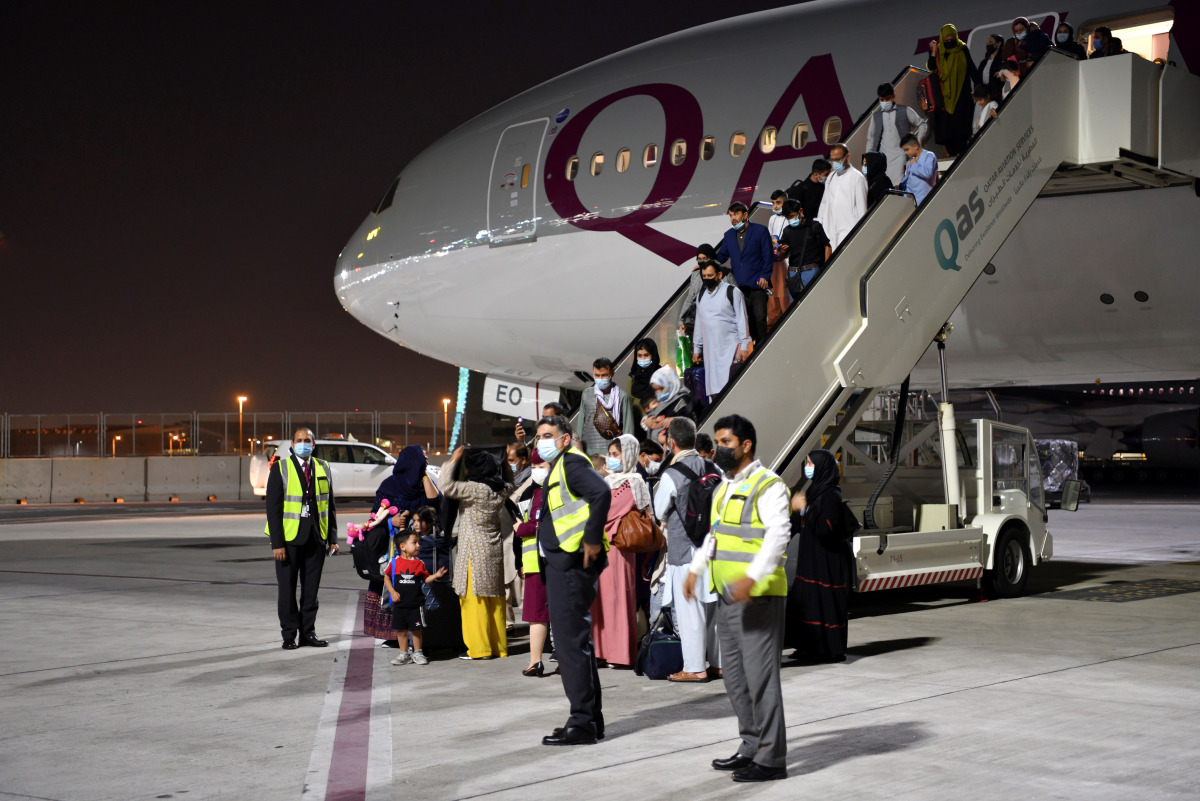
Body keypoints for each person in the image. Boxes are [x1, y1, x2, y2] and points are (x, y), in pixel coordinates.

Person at [683, 414, 790, 783]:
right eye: (717, 442)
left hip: (758, 597)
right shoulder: (723, 488)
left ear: (746, 445)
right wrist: (696, 568)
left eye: (726, 442)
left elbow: (778, 536)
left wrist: (752, 578)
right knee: (735, 679)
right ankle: (751, 744)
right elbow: (713, 536)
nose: (719, 448)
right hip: (727, 597)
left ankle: (772, 758)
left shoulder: (769, 485)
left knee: (761, 679)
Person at [534, 415, 612, 746]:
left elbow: (602, 493)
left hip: (571, 561)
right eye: (539, 436)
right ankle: (590, 719)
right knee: (576, 643)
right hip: (566, 560)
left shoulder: (571, 464)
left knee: (568, 644)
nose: (542, 441)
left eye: (548, 435)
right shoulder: (561, 465)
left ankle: (581, 722)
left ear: (565, 438)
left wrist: (593, 538)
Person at [654, 418, 720, 682]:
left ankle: (694, 667)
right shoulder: (713, 466)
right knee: (714, 608)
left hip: (685, 551)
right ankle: (719, 663)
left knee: (689, 608)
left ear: (671, 442)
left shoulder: (671, 475)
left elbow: (660, 511)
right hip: (714, 548)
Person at [266, 428, 339, 650]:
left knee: (311, 591)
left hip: (316, 538)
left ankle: (308, 633)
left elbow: (330, 504)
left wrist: (332, 538)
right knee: (287, 590)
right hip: (288, 540)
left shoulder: (323, 467)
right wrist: (277, 543)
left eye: (307, 440)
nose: (303, 444)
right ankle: (289, 635)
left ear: (314, 444)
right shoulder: (281, 467)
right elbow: (273, 508)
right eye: (299, 440)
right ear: (292, 443)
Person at [439, 445, 514, 660]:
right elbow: (512, 482)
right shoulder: (500, 488)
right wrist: (505, 464)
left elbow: (446, 486)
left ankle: (479, 648)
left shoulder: (475, 488)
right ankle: (498, 646)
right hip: (493, 548)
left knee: (474, 600)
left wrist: (453, 460)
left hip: (473, 550)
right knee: (494, 600)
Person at [785, 449, 854, 663]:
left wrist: (804, 509)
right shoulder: (815, 490)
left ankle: (827, 650)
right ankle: (808, 647)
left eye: (810, 463)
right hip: (810, 558)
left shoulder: (831, 494)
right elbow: (799, 523)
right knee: (806, 600)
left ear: (822, 466)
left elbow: (826, 527)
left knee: (822, 602)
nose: (807, 467)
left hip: (825, 560)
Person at [594, 434, 651, 668]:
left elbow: (608, 511)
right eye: (610, 454)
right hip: (602, 545)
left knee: (617, 599)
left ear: (628, 455)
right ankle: (601, 650)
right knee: (600, 600)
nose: (612, 459)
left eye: (616, 454)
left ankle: (619, 654)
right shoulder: (610, 481)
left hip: (618, 546)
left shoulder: (633, 482)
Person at [384, 529, 448, 666]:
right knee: (401, 630)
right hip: (399, 604)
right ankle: (404, 654)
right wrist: (392, 592)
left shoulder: (419, 563)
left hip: (415, 604)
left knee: (416, 629)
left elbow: (425, 579)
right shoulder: (394, 562)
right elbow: (387, 578)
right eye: (414, 543)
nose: (418, 545)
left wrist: (435, 576)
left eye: (418, 543)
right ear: (403, 546)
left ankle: (418, 652)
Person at [714, 201, 774, 345]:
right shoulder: (728, 235)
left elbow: (768, 255)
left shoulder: (760, 231)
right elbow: (722, 256)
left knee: (760, 317)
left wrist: (765, 276)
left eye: (736, 214)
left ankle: (762, 345)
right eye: (731, 215)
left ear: (745, 215)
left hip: (758, 283)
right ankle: (755, 345)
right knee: (746, 319)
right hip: (739, 286)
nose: (733, 218)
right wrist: (707, 262)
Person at [515, 450, 551, 677]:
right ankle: (536, 660)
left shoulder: (542, 493)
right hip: (538, 561)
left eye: (542, 466)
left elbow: (538, 524)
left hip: (540, 562)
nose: (537, 471)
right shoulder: (537, 491)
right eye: (535, 466)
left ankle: (535, 661)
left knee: (537, 615)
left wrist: (521, 528)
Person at [692, 262, 752, 397]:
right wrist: (697, 349)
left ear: (719, 275)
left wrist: (744, 346)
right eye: (704, 276)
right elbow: (699, 325)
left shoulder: (732, 292)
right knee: (714, 394)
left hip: (731, 352)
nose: (707, 278)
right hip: (710, 355)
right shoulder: (700, 296)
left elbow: (742, 320)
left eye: (710, 275)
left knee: (732, 391)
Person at [926, 24, 980, 157]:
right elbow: (932, 67)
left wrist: (979, 87)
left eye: (951, 37)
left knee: (962, 130)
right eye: (946, 38)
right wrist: (933, 51)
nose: (949, 40)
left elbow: (971, 69)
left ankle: (962, 157)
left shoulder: (962, 49)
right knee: (948, 133)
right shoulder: (939, 51)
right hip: (945, 98)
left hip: (962, 94)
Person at [865, 82, 928, 186]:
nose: (885, 102)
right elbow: (871, 140)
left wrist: (917, 144)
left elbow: (922, 124)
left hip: (901, 155)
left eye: (887, 99)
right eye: (882, 100)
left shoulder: (905, 110)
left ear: (893, 96)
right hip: (883, 158)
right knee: (885, 186)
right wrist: (867, 163)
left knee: (899, 184)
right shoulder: (876, 116)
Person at [575, 357, 635, 455]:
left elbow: (628, 431)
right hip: (589, 452)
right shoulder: (587, 394)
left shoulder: (622, 397)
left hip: (611, 453)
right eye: (597, 375)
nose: (600, 379)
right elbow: (581, 424)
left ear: (612, 373)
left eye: (604, 375)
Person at [816, 143, 868, 250]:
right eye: (832, 159)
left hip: (848, 231)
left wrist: (860, 234)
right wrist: (819, 225)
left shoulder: (857, 178)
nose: (834, 163)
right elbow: (824, 204)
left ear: (847, 157)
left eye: (838, 159)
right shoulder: (831, 177)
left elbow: (862, 209)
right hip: (830, 232)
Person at [777, 199, 831, 298]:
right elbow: (782, 255)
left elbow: (827, 246)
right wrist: (783, 251)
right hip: (793, 273)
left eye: (792, 216)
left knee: (813, 303)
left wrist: (826, 269)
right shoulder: (787, 231)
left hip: (811, 271)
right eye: (788, 218)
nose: (791, 220)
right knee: (794, 308)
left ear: (800, 212)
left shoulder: (814, 226)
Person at [643, 365, 706, 433]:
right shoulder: (662, 403)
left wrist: (674, 421)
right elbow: (653, 413)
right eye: (655, 390)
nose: (658, 393)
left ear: (671, 384)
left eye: (661, 388)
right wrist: (647, 420)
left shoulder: (684, 401)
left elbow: (694, 422)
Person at [786, 158, 831, 222]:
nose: (828, 177)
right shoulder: (800, 189)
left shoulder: (825, 187)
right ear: (816, 175)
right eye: (826, 175)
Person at [900, 133, 938, 207]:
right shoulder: (910, 161)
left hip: (926, 202)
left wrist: (914, 165)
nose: (906, 153)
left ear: (915, 146)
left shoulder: (929, 156)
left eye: (907, 149)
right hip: (912, 202)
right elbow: (908, 182)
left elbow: (928, 173)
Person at [628, 338, 662, 407]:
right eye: (639, 355)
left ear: (653, 355)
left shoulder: (661, 374)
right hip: (637, 416)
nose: (643, 359)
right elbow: (629, 401)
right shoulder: (633, 375)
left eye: (646, 355)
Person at [979, 34, 1006, 102]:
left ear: (998, 44)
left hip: (997, 97)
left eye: (990, 42)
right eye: (987, 43)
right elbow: (978, 79)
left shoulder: (1002, 60)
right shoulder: (983, 62)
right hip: (983, 96)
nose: (988, 44)